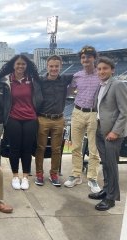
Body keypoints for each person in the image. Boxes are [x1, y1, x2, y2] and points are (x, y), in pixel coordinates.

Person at [0, 55, 43, 190]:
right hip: (13, 118)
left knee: (27, 149)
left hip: (30, 118)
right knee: (15, 148)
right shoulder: (6, 80)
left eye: (23, 64)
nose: (20, 66)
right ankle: (15, 176)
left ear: (27, 65)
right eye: (18, 64)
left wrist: (36, 111)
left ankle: (25, 177)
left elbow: (39, 97)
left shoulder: (33, 79)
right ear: (13, 65)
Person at [88, 57, 127, 211]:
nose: (102, 71)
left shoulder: (117, 85)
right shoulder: (100, 85)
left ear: (112, 70)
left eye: (105, 68)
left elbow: (124, 111)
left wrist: (115, 132)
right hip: (100, 130)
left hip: (112, 133)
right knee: (105, 164)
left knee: (111, 165)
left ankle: (111, 198)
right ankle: (106, 190)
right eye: (99, 69)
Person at [64, 46, 101, 193]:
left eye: (89, 57)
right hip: (78, 111)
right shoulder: (77, 75)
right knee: (76, 147)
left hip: (94, 113)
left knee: (93, 149)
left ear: (94, 58)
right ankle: (76, 174)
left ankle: (92, 178)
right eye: (83, 57)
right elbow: (70, 90)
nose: (86, 59)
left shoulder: (101, 74)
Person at [35, 55, 73, 187]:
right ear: (47, 67)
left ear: (60, 66)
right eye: (51, 66)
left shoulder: (64, 79)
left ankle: (54, 174)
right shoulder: (40, 80)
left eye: (56, 66)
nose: (54, 68)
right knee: (40, 148)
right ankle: (39, 173)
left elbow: (81, 75)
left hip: (59, 119)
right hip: (43, 118)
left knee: (56, 149)